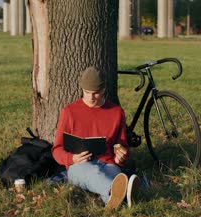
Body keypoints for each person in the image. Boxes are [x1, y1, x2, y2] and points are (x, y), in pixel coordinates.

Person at [52, 66, 139, 209]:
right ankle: (120, 193)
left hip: (109, 164)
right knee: (94, 173)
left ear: (104, 89)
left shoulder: (116, 112)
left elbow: (122, 145)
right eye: (87, 93)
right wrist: (72, 159)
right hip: (79, 165)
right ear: (82, 89)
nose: (91, 98)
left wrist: (121, 156)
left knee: (111, 173)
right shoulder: (69, 112)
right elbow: (57, 149)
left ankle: (113, 199)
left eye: (96, 93)